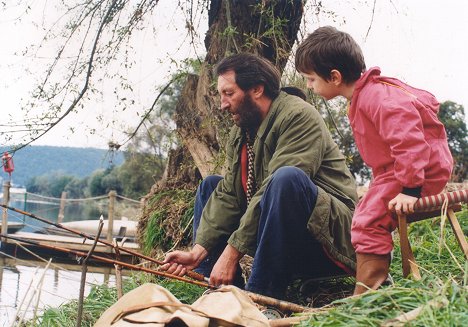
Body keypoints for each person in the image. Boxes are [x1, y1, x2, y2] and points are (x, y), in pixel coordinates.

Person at [161, 53, 358, 299]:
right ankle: (217, 287)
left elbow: (273, 190)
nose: (222, 104)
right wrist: (198, 251)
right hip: (282, 235)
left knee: (287, 179)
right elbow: (230, 196)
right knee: (211, 185)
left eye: (229, 94)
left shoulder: (298, 116)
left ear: (256, 89)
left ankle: (261, 296)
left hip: (332, 238)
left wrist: (231, 254)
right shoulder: (241, 131)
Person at [295, 26, 453, 294]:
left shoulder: (375, 96)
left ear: (334, 76)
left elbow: (408, 139)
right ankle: (373, 280)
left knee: (368, 220)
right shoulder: (364, 96)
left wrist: (410, 189)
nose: (309, 86)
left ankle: (368, 293)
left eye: (310, 79)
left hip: (420, 171)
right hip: (399, 170)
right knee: (365, 210)